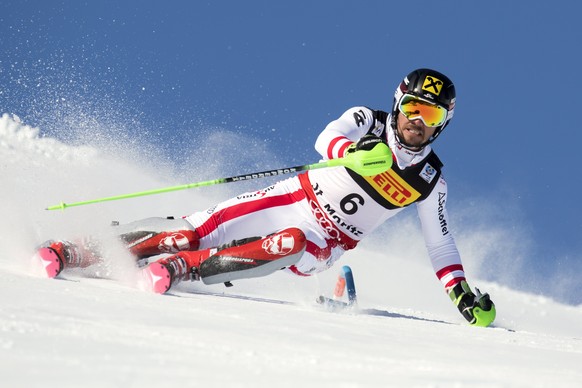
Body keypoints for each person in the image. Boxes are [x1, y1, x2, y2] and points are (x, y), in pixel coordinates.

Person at [34, 68, 496, 327]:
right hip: (294, 195)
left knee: (291, 241)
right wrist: (351, 154)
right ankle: (78, 251)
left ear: (443, 122)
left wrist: (460, 295)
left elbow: (440, 243)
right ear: (398, 103)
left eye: (430, 113)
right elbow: (327, 137)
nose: (417, 120)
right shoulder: (368, 121)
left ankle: (183, 269)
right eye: (413, 107)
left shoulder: (430, 179)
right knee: (188, 232)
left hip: (325, 240)